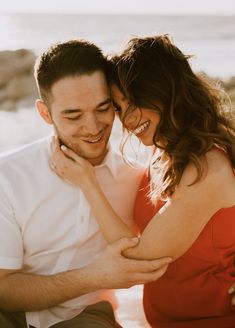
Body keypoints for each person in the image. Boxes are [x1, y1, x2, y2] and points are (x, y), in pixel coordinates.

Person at [50, 35, 235, 327]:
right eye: (120, 107)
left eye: (135, 101)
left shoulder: (207, 168)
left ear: (164, 89)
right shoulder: (163, 151)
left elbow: (137, 259)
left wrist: (88, 183)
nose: (129, 118)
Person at [0, 39, 173, 328]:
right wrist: (97, 275)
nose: (92, 128)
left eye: (103, 109)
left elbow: (186, 234)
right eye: (73, 115)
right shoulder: (8, 176)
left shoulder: (137, 178)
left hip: (86, 317)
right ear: (45, 114)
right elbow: (3, 290)